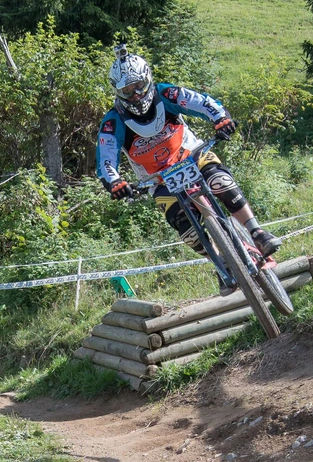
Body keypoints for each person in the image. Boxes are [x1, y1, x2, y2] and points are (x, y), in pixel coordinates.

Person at [96, 46, 281, 289]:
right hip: (158, 180)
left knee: (221, 183)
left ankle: (257, 233)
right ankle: (221, 261)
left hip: (193, 156)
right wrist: (115, 182)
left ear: (148, 79)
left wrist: (220, 118)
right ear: (117, 92)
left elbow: (201, 102)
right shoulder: (113, 121)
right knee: (186, 229)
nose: (136, 95)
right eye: (127, 91)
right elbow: (106, 158)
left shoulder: (166, 95)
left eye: (139, 86)